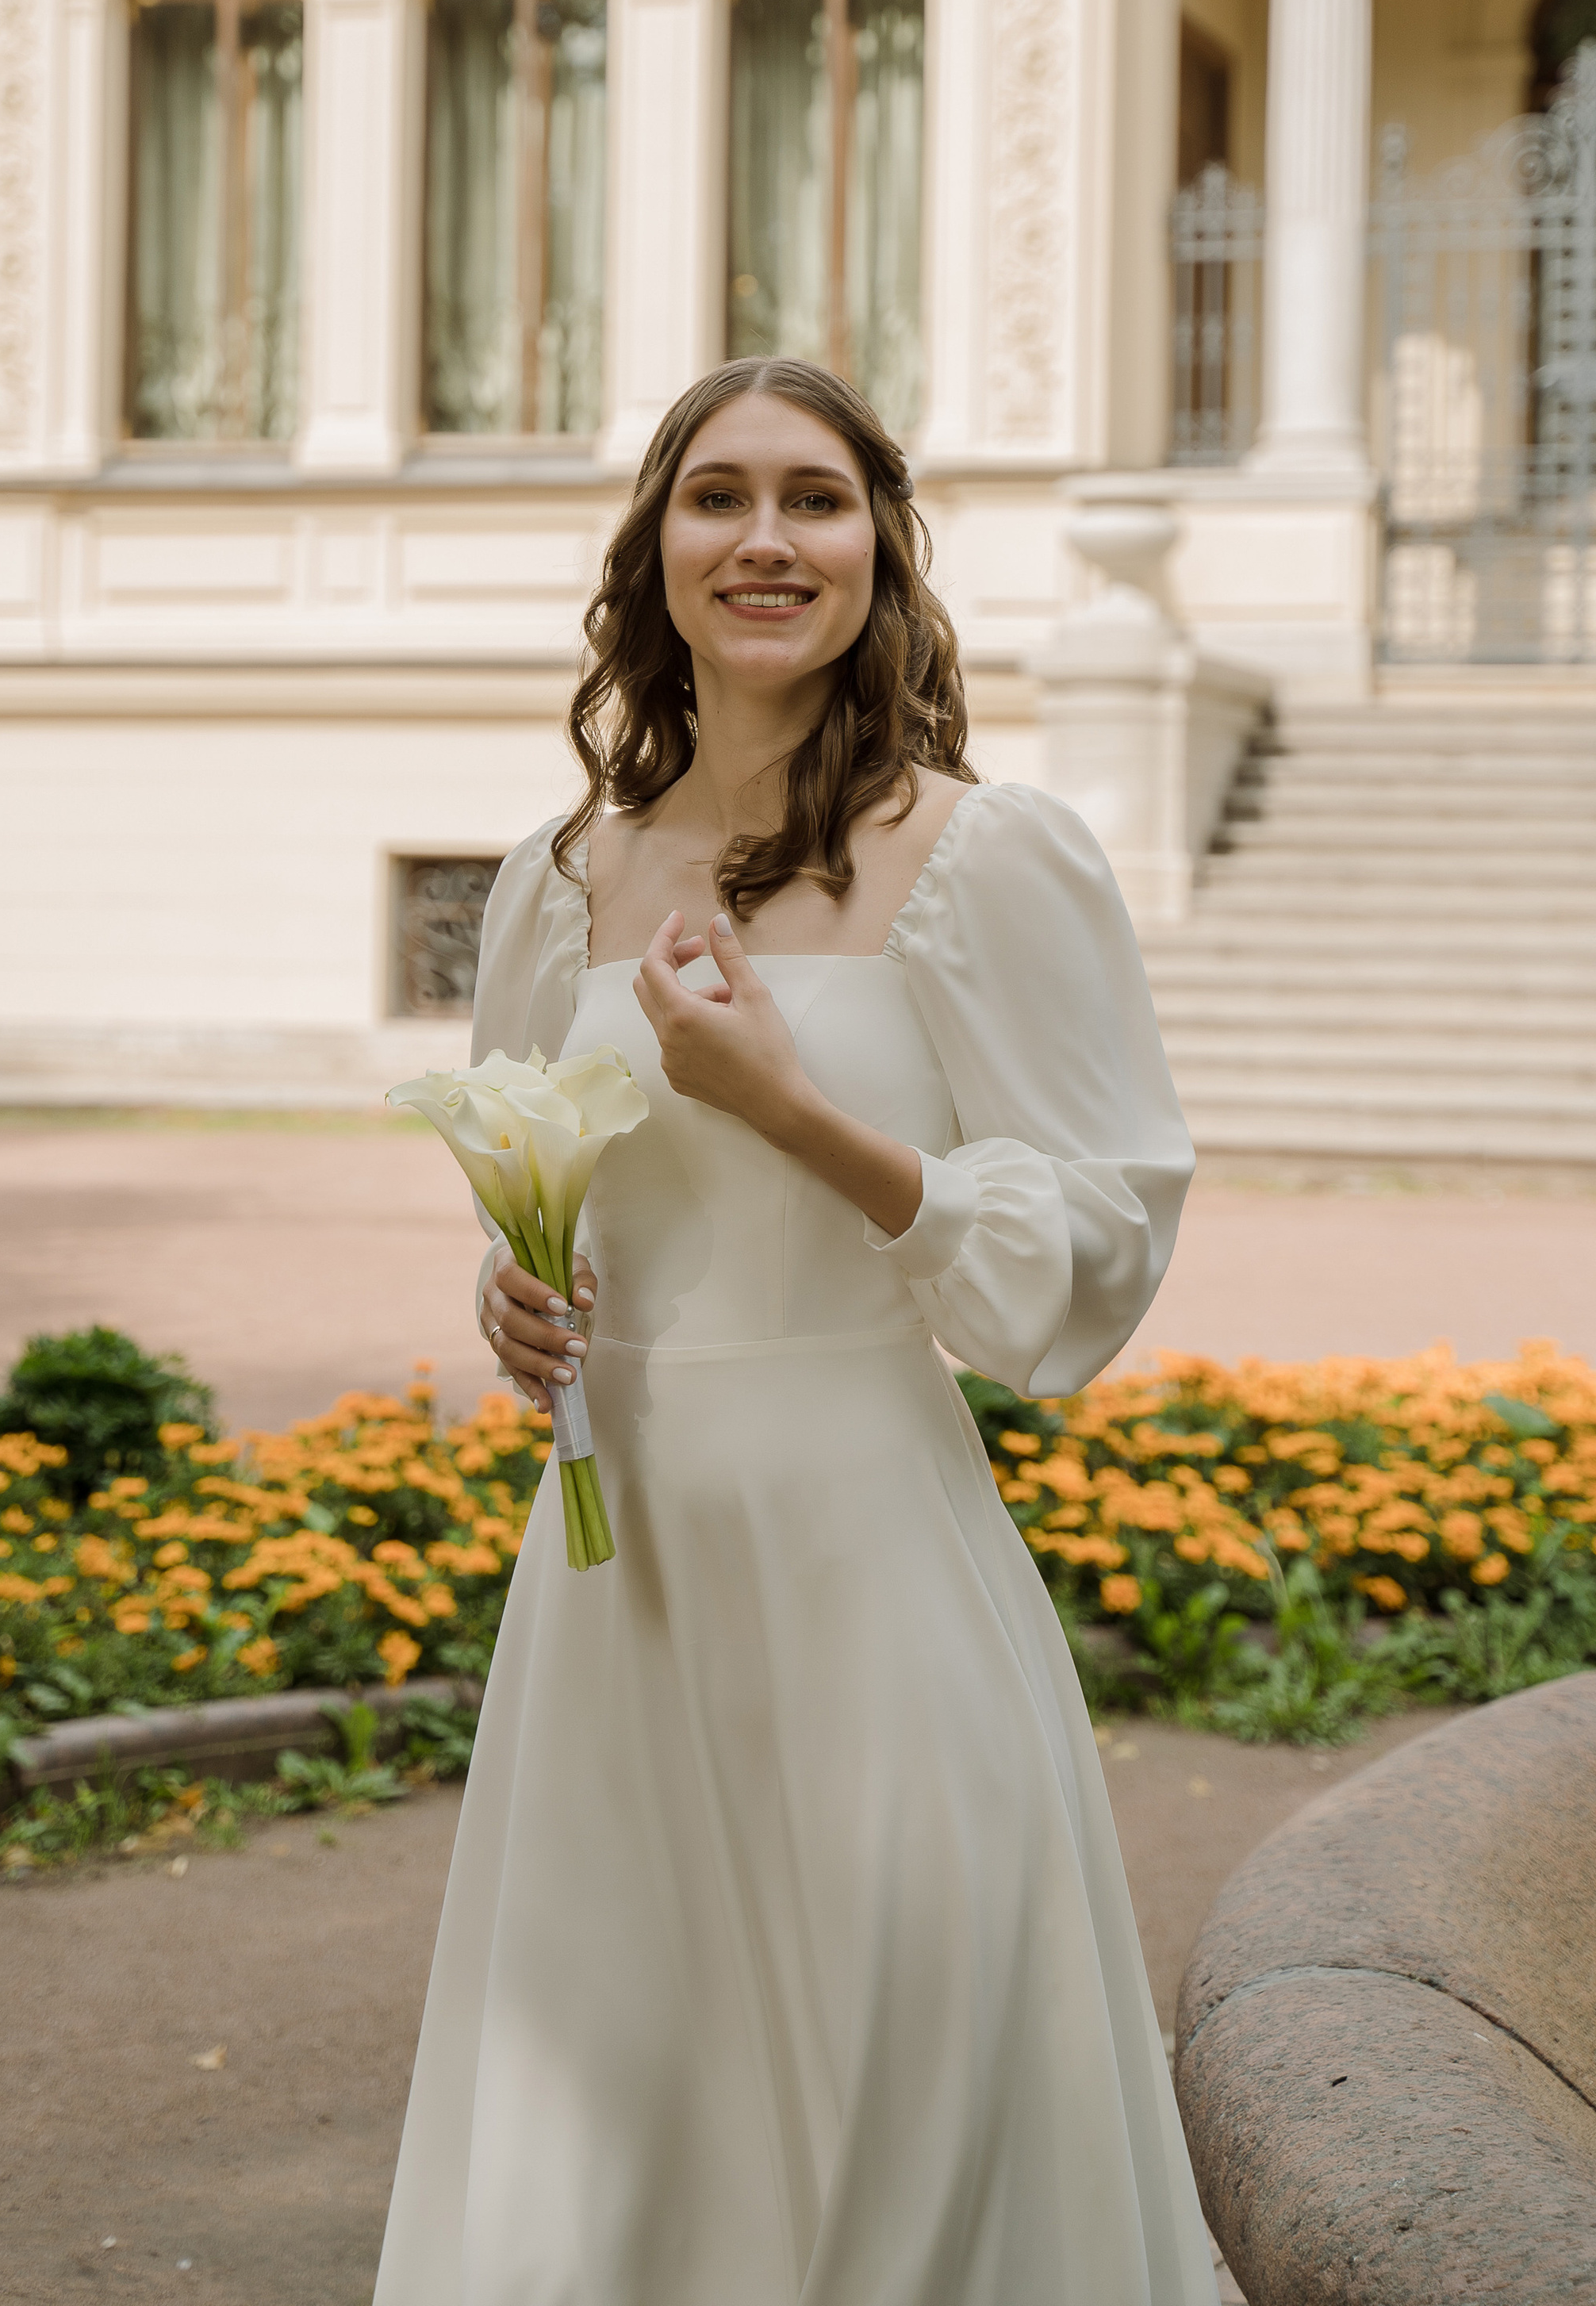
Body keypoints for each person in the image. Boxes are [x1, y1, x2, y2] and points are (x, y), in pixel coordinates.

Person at [373, 355, 1214, 2306]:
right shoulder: (552, 879)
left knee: (900, 2054)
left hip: (865, 1550)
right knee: (620, 2084)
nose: (765, 540)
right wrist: (516, 1294)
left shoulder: (988, 859)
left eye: (815, 500)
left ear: (879, 554)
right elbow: (538, 1171)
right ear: (651, 552)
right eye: (717, 497)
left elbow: (1092, 1248)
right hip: (617, 1577)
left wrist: (793, 1111)